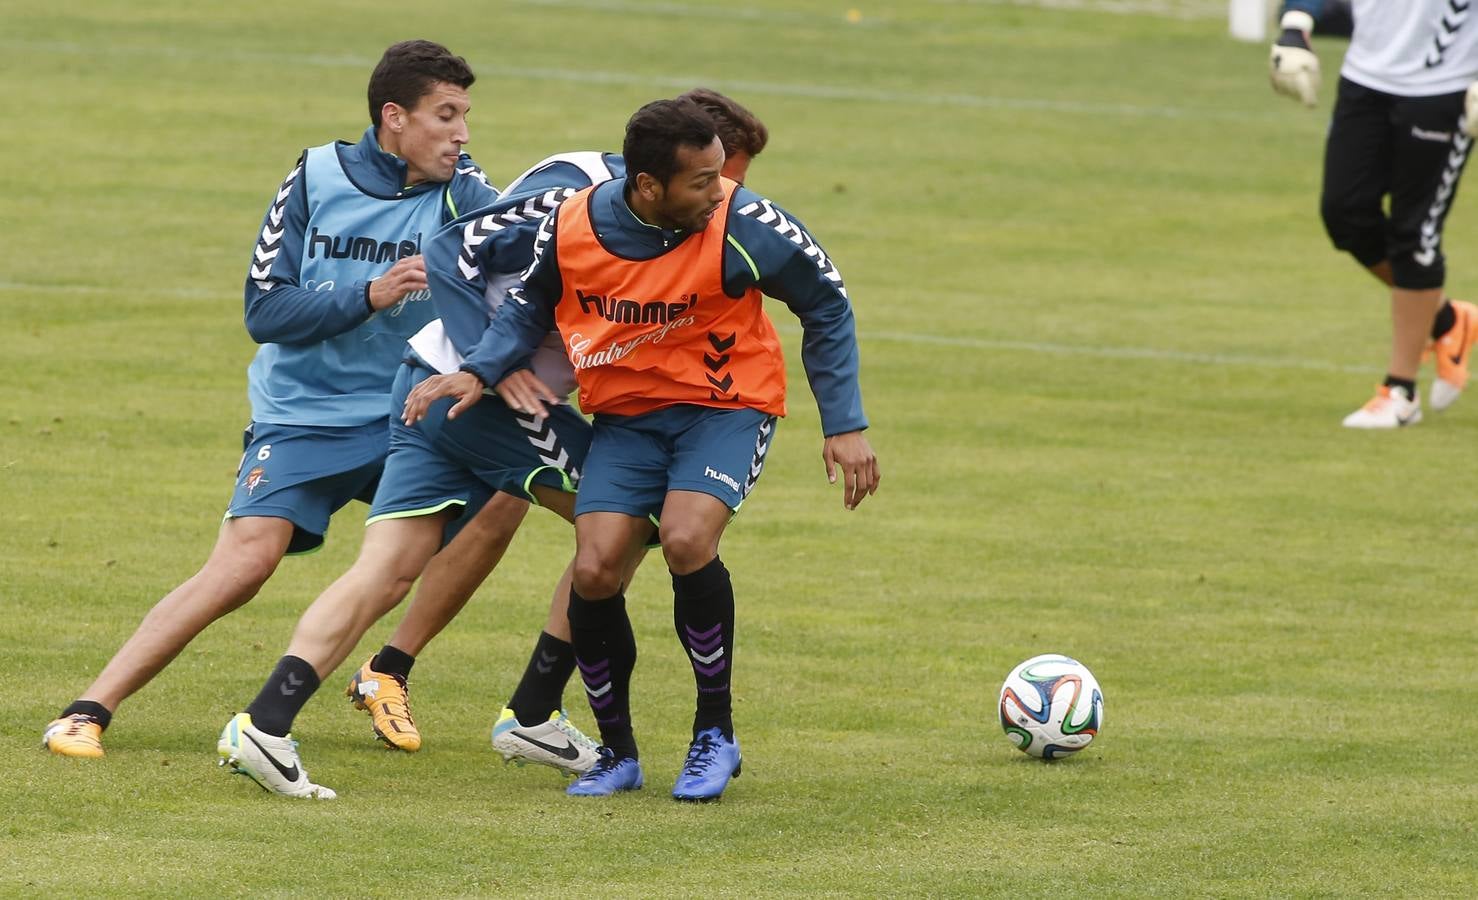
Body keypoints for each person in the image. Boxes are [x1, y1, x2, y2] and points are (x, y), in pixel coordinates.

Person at [216, 91, 773, 799]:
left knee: (385, 571)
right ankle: (534, 713)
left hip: (428, 386)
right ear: (673, 170)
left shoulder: (657, 219)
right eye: (723, 183)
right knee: (627, 525)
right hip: (476, 397)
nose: (730, 202)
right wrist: (492, 365)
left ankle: (263, 726)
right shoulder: (577, 195)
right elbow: (451, 249)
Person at [402, 97, 879, 802]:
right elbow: (535, 302)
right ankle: (618, 754)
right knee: (596, 566)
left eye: (720, 175)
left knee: (686, 538)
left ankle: (714, 734)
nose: (719, 191)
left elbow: (827, 301)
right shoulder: (573, 224)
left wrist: (844, 422)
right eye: (701, 181)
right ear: (648, 185)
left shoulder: (742, 223)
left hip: (726, 407)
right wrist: (481, 367)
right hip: (628, 417)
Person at [41, 40, 502, 765]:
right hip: (303, 414)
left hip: (402, 414)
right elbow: (265, 312)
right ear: (394, 117)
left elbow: (533, 265)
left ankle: (387, 671)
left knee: (500, 499)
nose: (462, 133)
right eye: (446, 116)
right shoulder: (316, 175)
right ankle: (86, 710)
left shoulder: (465, 194)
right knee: (244, 566)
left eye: (465, 117)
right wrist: (370, 294)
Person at [1270, 1, 1478, 427]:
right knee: (1345, 213)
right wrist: (1295, 24)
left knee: (1414, 233)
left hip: (1445, 87)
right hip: (1365, 76)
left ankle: (1400, 392)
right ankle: (1447, 319)